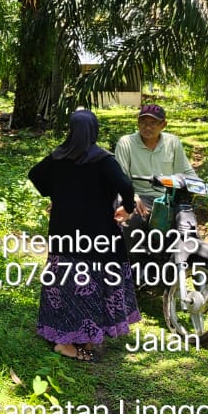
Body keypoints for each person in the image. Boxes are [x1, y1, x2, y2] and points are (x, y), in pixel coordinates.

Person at [28, 109, 140, 360]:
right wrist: (128, 208)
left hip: (64, 234)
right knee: (89, 285)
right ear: (94, 131)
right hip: (95, 235)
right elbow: (126, 185)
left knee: (65, 285)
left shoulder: (58, 157)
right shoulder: (103, 160)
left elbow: (35, 175)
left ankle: (76, 337)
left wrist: (56, 193)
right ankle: (69, 342)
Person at [113, 103, 196, 221]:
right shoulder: (126, 143)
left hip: (168, 197)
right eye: (143, 122)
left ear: (163, 125)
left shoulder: (172, 142)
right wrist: (132, 197)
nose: (147, 127)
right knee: (131, 222)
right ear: (138, 123)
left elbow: (185, 171)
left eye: (153, 123)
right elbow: (121, 179)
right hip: (140, 196)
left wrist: (203, 186)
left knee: (186, 223)